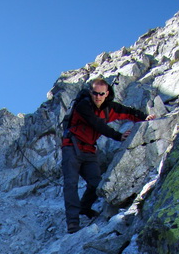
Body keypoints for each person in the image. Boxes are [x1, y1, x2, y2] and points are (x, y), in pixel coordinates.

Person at [61, 77, 156, 233]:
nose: (98, 96)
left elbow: (128, 112)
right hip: (71, 147)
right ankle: (72, 223)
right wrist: (118, 136)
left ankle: (84, 208)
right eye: (95, 93)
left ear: (107, 94)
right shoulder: (83, 106)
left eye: (101, 94)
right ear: (90, 92)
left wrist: (144, 117)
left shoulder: (110, 108)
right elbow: (97, 124)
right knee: (70, 184)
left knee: (96, 183)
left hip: (89, 150)